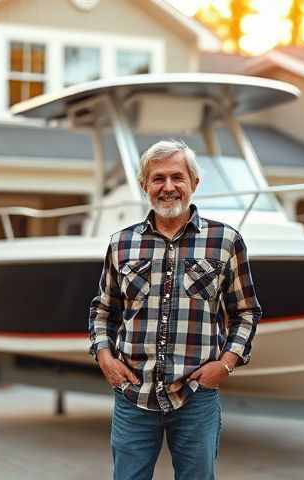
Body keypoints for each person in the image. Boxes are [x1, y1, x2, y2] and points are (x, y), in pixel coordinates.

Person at [88, 139, 262, 480]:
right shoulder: (120, 244)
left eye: (177, 177)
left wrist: (225, 365)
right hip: (133, 395)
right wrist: (105, 358)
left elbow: (246, 312)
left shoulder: (225, 241)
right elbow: (103, 310)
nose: (168, 187)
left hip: (197, 397)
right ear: (144, 186)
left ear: (194, 183)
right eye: (158, 179)